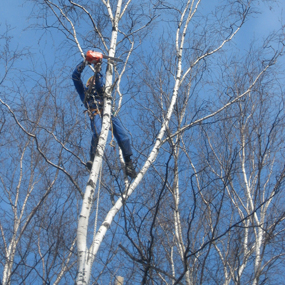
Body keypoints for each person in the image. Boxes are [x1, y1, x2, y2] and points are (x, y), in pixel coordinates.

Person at [72, 51, 137, 178]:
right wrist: (85, 62)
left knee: (124, 137)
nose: (93, 83)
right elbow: (75, 76)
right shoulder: (84, 93)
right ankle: (92, 158)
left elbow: (101, 85)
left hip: (108, 112)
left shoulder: (102, 90)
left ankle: (129, 163)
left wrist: (98, 70)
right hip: (95, 111)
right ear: (88, 84)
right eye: (91, 82)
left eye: (94, 81)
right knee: (98, 133)